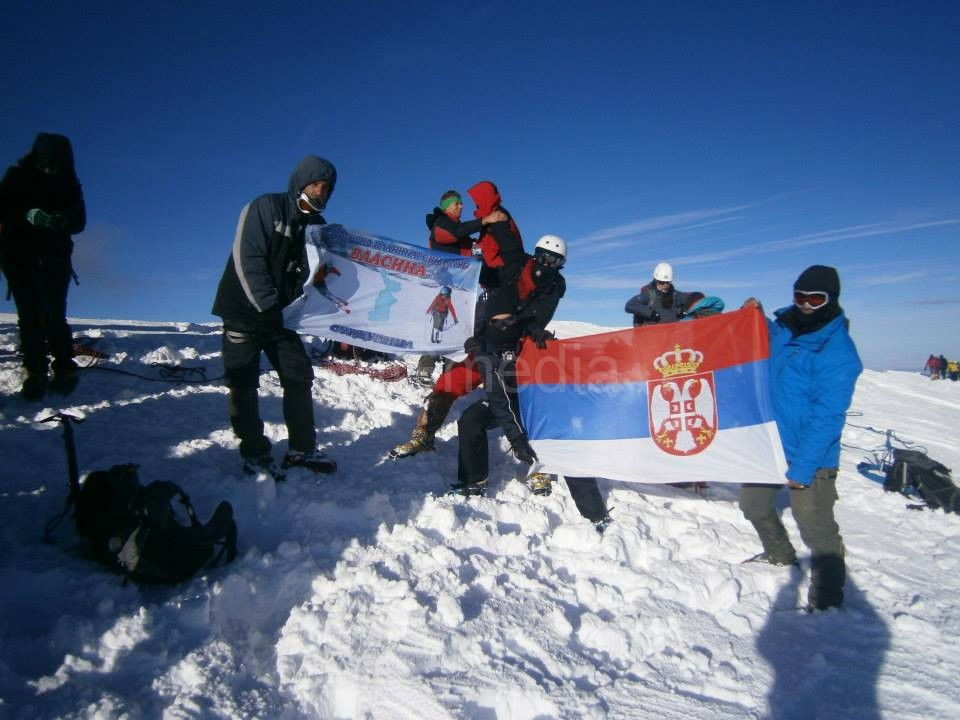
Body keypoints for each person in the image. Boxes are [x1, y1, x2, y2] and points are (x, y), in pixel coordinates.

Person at [739, 265, 862, 612]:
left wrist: (804, 468)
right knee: (753, 505)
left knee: (816, 528)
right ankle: (779, 555)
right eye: (800, 296)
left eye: (815, 298)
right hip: (769, 445)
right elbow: (767, 340)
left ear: (830, 300)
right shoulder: (783, 327)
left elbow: (828, 417)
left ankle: (827, 599)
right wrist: (755, 316)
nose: (806, 304)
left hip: (811, 457)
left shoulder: (838, 352)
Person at [212, 155, 339, 478]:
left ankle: (302, 449)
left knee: (298, 376)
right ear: (300, 183)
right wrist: (266, 306)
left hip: (281, 317)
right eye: (314, 184)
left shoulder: (317, 229)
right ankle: (254, 452)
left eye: (326, 187)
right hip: (244, 310)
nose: (320, 191)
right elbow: (247, 258)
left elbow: (316, 275)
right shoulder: (266, 207)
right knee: (243, 381)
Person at [452, 235, 566, 496]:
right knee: (471, 420)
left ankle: (542, 468)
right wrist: (516, 440)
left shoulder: (529, 333)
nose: (547, 264)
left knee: (539, 417)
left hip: (532, 401)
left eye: (555, 261)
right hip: (508, 398)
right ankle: (475, 480)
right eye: (497, 321)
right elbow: (499, 399)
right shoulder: (488, 349)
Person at [0, 133, 86, 400]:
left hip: (55, 257)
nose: (52, 169)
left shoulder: (69, 183)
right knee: (30, 314)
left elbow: (80, 220)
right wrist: (27, 215)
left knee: (55, 313)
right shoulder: (16, 177)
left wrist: (62, 221)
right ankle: (35, 370)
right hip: (18, 255)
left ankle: (64, 367)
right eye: (48, 163)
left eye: (57, 164)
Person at [413, 190, 504, 384]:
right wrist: (484, 221)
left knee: (456, 330)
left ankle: (449, 374)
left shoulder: (460, 231)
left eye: (461, 203)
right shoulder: (442, 224)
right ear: (447, 206)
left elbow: (469, 252)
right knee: (439, 324)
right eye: (457, 204)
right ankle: (424, 369)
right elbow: (455, 233)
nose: (461, 206)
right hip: (443, 285)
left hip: (461, 287)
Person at [624, 262, 699, 326]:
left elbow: (695, 300)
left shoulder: (676, 295)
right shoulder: (648, 294)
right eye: (662, 282)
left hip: (672, 337)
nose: (665, 285)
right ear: (656, 280)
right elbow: (629, 305)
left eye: (668, 282)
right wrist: (650, 313)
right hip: (652, 336)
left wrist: (684, 310)